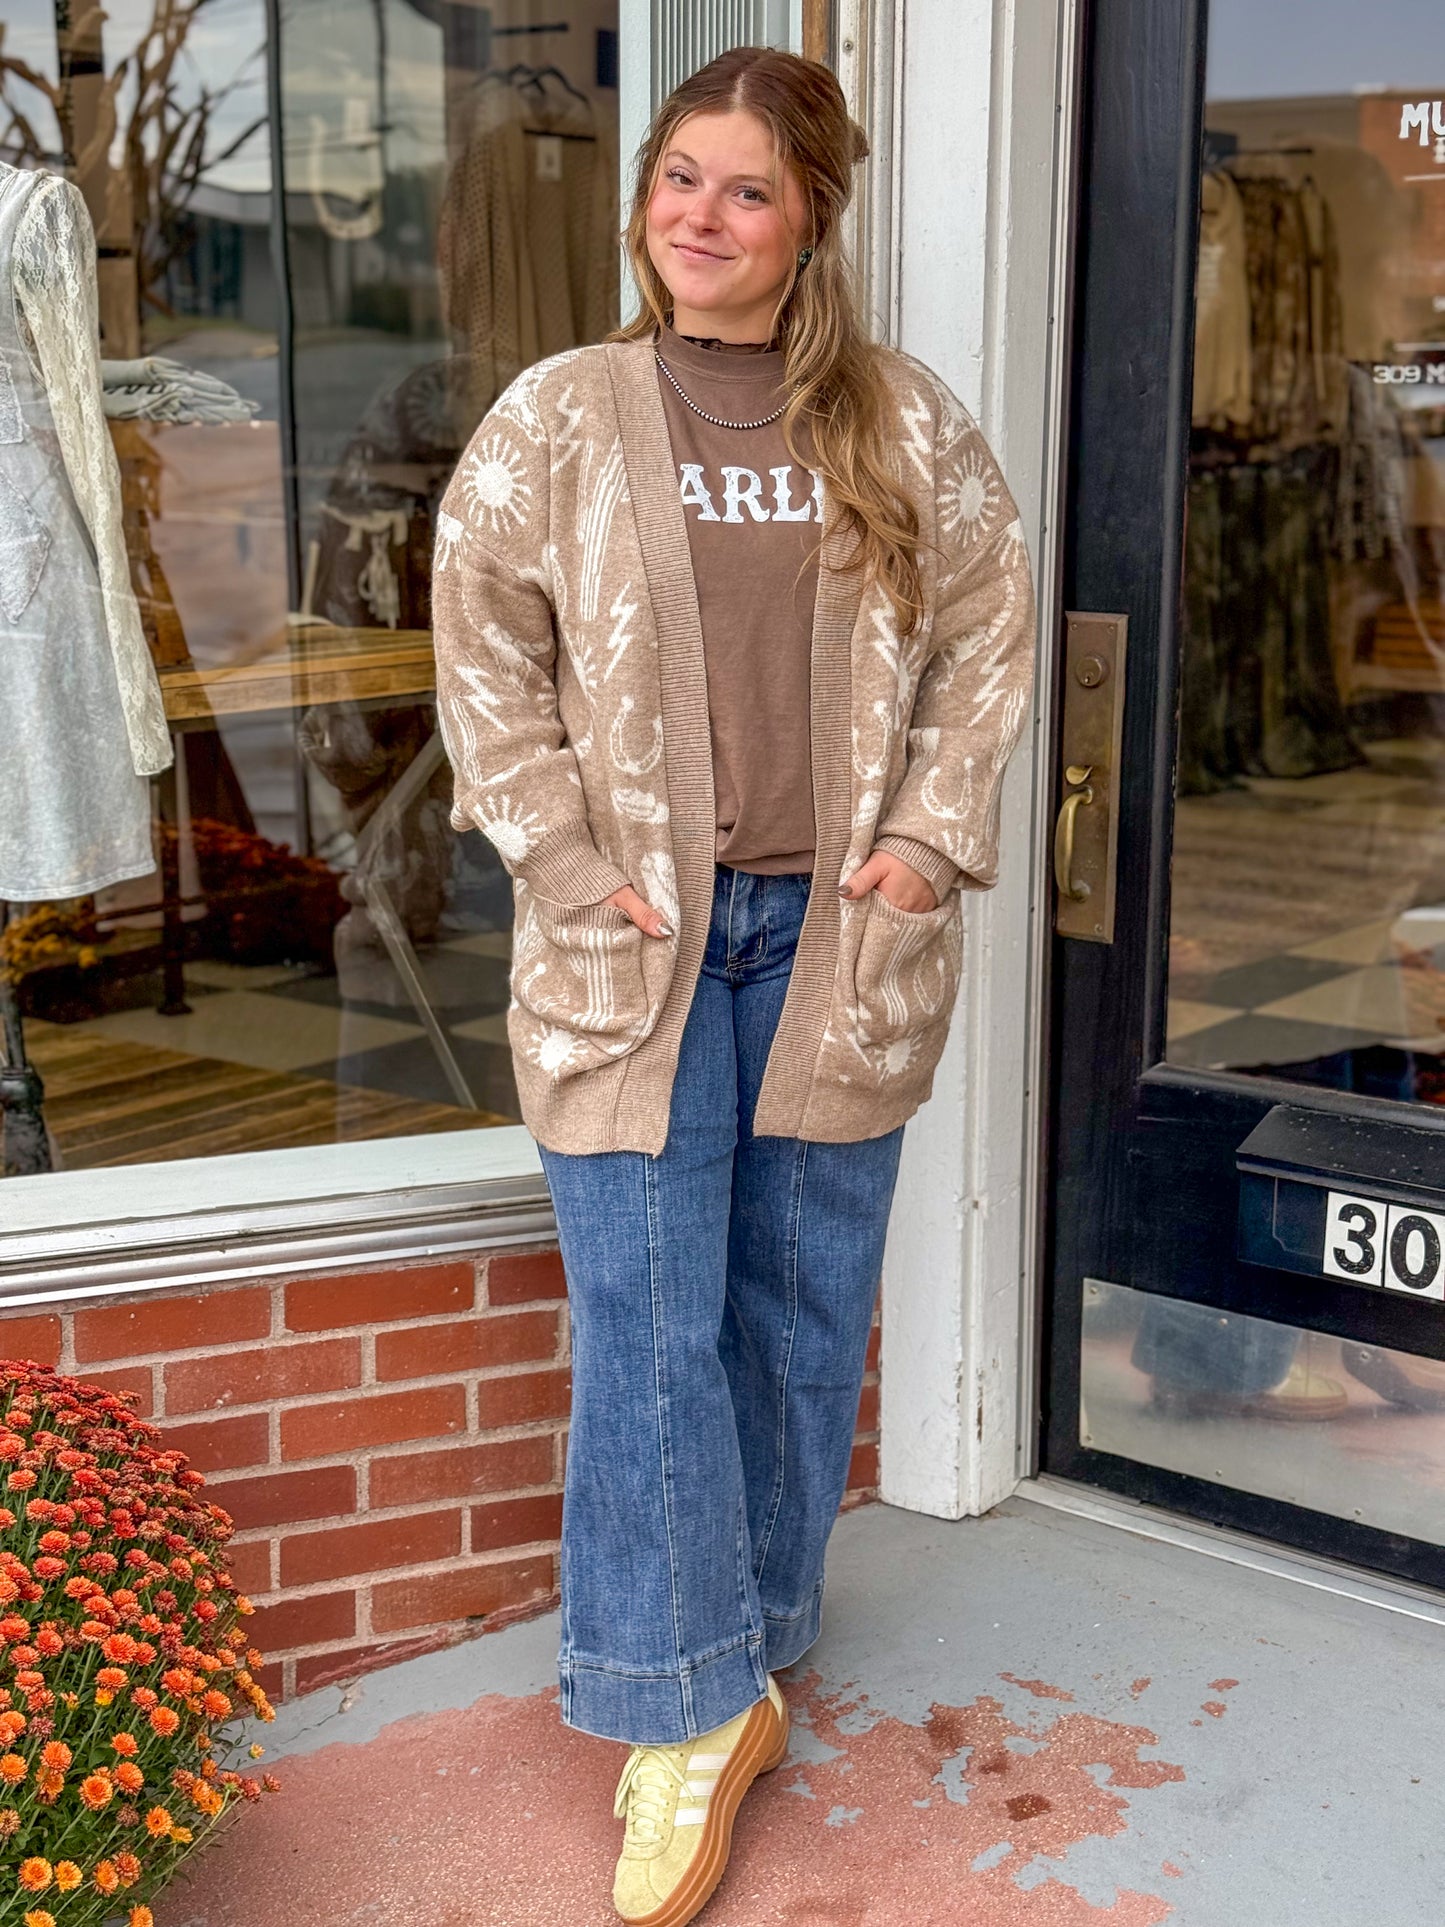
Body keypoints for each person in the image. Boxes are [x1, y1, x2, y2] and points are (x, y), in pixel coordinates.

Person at [432, 44, 1035, 1927]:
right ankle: (680, 1712)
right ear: (643, 206)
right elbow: (483, 657)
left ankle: (756, 1640)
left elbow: (988, 635)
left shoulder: (901, 424)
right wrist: (564, 856)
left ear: (808, 224)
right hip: (634, 946)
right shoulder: (556, 417)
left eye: (746, 189)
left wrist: (928, 841)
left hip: (833, 935)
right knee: (644, 1319)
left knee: (791, 1313)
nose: (700, 214)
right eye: (678, 178)